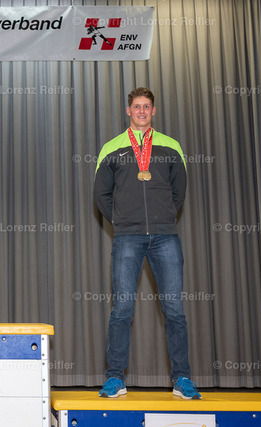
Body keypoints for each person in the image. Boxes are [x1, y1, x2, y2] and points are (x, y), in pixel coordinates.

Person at [94, 87, 201, 399]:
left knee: (174, 309)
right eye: (136, 106)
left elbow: (178, 192)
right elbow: (101, 194)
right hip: (127, 237)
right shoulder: (112, 147)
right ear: (128, 111)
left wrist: (163, 216)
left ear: (153, 111)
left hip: (165, 236)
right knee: (122, 309)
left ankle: (182, 379)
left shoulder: (170, 146)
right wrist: (123, 220)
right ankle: (115, 378)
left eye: (146, 106)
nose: (141, 111)